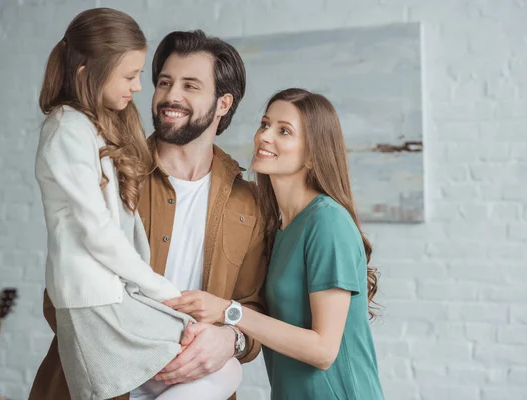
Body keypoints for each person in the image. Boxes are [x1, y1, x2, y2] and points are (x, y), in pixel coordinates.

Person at [30, 24, 267, 400]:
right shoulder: (114, 168)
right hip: (98, 385)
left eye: (190, 86)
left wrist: (230, 340)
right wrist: (144, 354)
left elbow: (253, 309)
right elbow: (63, 291)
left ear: (223, 104)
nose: (170, 96)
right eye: (164, 82)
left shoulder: (249, 203)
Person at [165, 88, 385, 400]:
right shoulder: (279, 225)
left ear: (312, 153)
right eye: (265, 124)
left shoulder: (327, 223)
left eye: (284, 131)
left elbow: (324, 350)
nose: (265, 136)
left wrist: (230, 311)